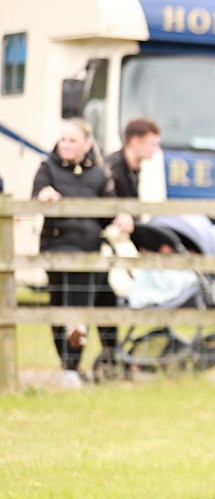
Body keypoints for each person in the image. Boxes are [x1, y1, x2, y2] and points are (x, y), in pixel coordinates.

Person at [33, 118, 132, 386]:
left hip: (89, 250)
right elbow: (38, 192)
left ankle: (88, 363)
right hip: (57, 247)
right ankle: (70, 367)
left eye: (72, 140)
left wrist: (122, 216)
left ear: (87, 144)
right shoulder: (47, 168)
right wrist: (44, 195)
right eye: (63, 139)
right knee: (62, 305)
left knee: (92, 302)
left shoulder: (98, 173)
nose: (65, 144)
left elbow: (109, 210)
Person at [104, 117, 161, 200]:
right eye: (152, 145)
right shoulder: (112, 168)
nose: (156, 149)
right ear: (135, 142)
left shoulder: (132, 169)